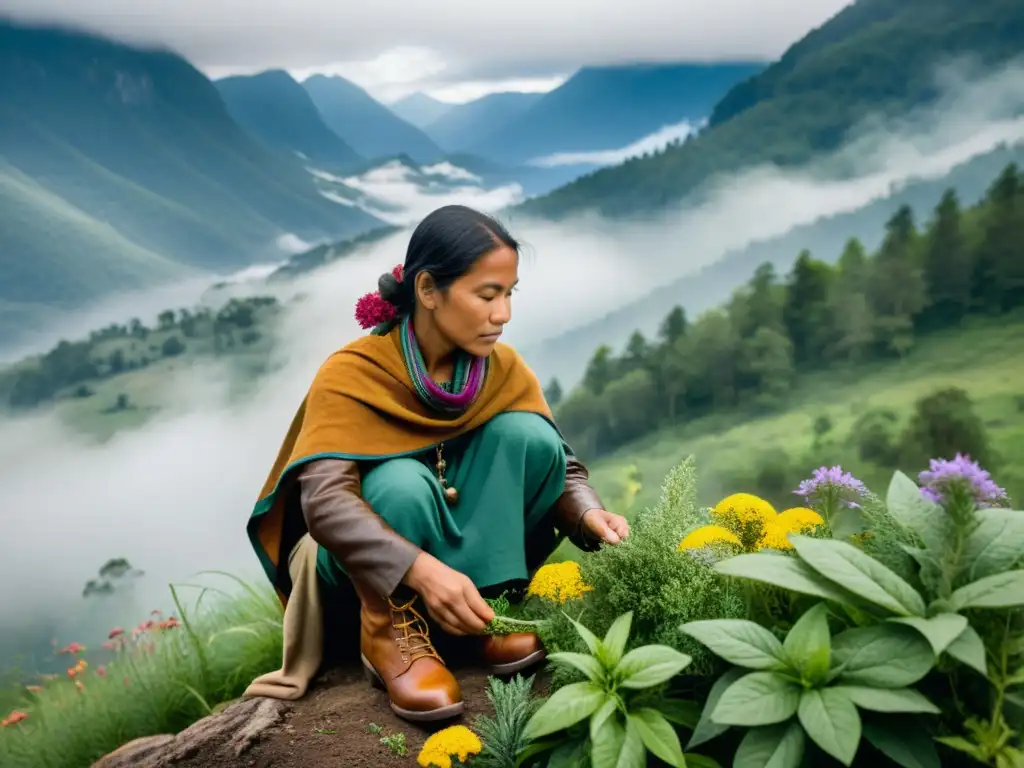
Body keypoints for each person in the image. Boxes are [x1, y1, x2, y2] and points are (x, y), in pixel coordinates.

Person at [243, 205, 630, 723]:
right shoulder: (353, 373)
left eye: (510, 293)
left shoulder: (502, 369)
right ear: (428, 290)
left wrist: (587, 514)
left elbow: (561, 464)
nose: (503, 314)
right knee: (401, 484)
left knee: (529, 435)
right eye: (487, 295)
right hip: (367, 575)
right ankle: (391, 636)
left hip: (460, 560)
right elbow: (326, 504)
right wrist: (420, 572)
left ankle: (483, 613)